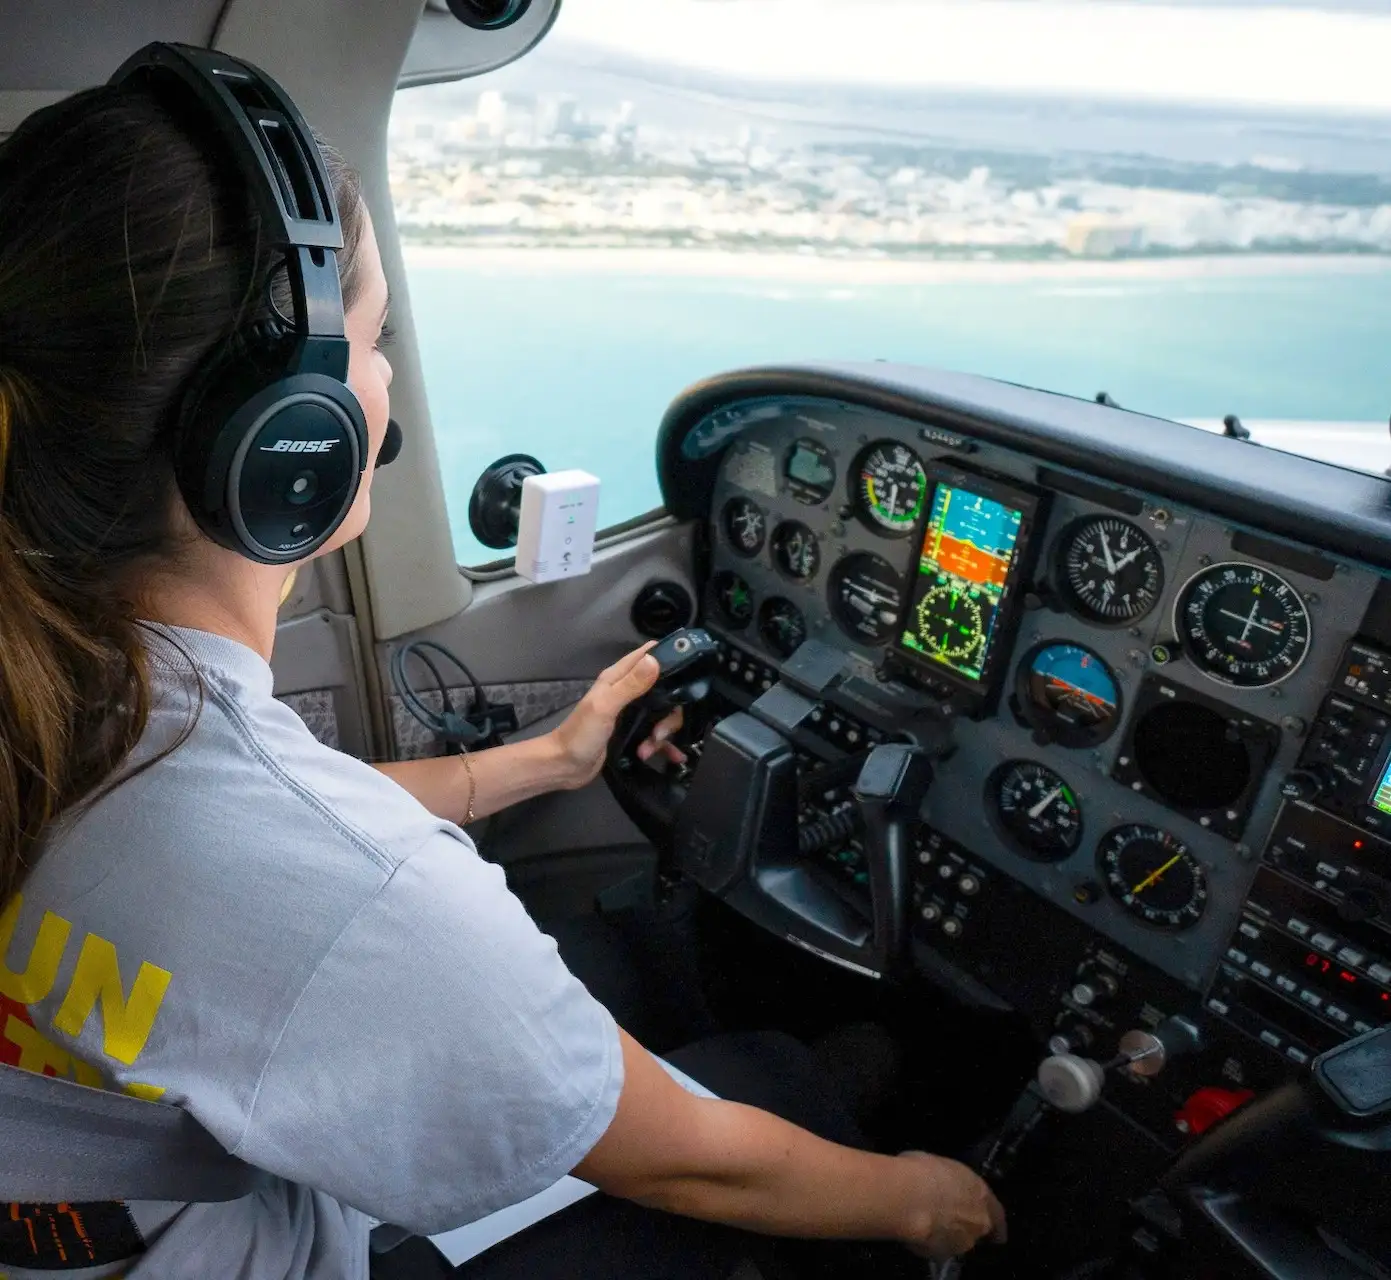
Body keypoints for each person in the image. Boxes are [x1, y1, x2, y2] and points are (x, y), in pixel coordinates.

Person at [0, 57, 1005, 1280]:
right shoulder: (338, 886)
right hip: (253, 1244)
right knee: (773, 1115)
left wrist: (546, 760)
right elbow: (690, 1160)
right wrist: (921, 1199)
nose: (386, 393)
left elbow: (270, 843)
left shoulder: (61, 683)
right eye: (372, 344)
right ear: (284, 445)